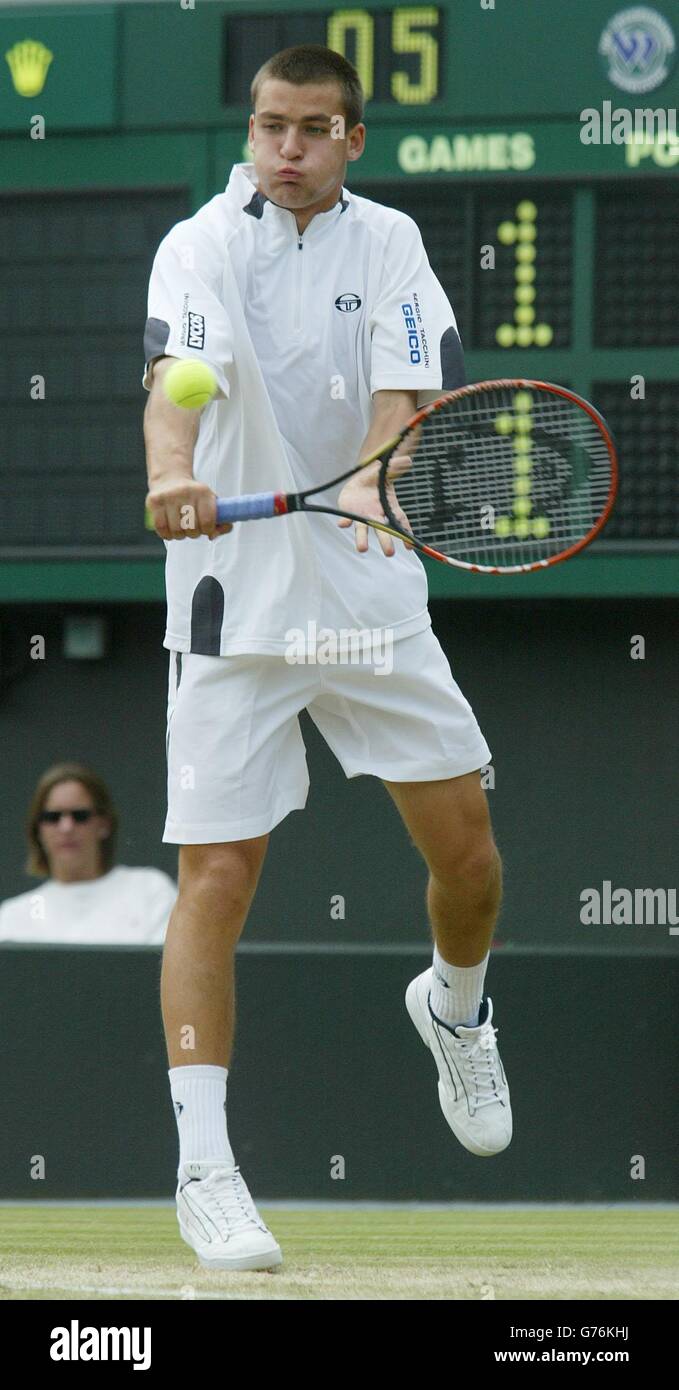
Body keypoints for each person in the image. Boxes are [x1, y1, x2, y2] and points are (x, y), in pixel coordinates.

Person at [143, 44, 511, 1274]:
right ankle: (206, 1169)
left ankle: (454, 1008)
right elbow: (176, 383)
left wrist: (368, 474)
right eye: (268, 126)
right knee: (218, 874)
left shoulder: (390, 243)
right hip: (229, 612)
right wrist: (171, 475)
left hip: (367, 597)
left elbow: (406, 400)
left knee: (466, 854)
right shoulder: (200, 245)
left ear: (353, 138)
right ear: (249, 130)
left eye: (311, 129)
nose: (285, 148)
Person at [0, 763, 176, 945]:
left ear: (104, 824)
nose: (66, 828)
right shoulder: (12, 917)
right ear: (38, 829)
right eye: (53, 817)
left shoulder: (150, 891)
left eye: (80, 816)